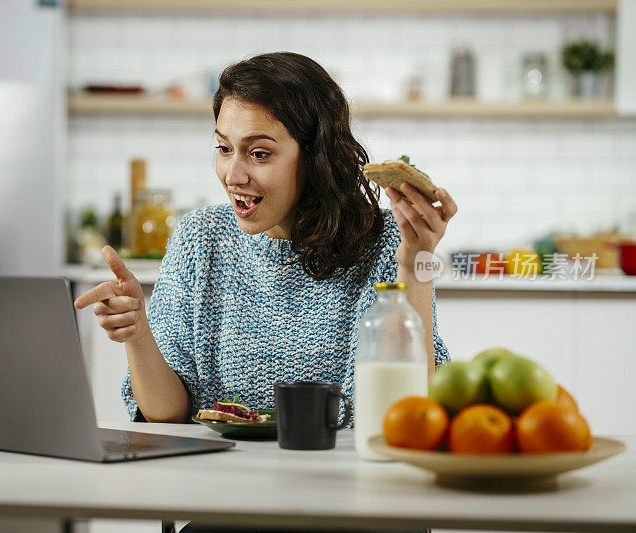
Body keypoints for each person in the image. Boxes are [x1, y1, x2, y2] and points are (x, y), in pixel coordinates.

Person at [74, 52, 456, 532]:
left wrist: (415, 267)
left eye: (259, 153)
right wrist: (137, 332)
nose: (234, 175)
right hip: (234, 503)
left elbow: (406, 410)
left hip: (358, 506)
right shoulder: (199, 239)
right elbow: (167, 413)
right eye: (223, 147)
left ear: (314, 156)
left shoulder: (381, 239)